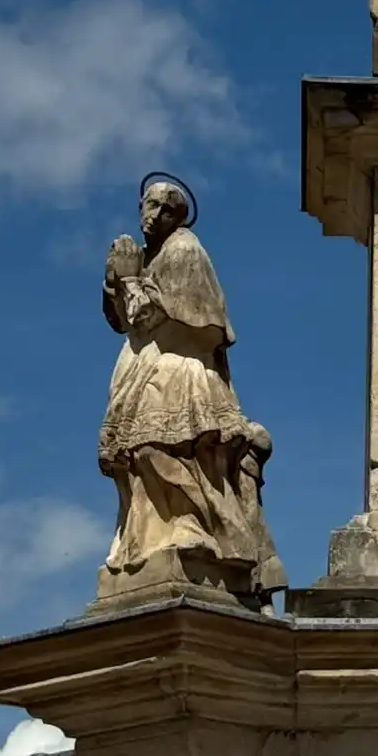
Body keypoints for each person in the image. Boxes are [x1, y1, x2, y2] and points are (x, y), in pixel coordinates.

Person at [97, 178, 283, 607]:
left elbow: (165, 316)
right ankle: (147, 541)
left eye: (166, 208)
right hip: (147, 364)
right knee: (135, 457)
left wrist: (128, 281)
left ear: (178, 217)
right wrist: (115, 281)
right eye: (149, 204)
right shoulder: (150, 255)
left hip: (181, 366)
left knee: (159, 446)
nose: (154, 214)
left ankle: (196, 529)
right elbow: (123, 321)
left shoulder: (184, 250)